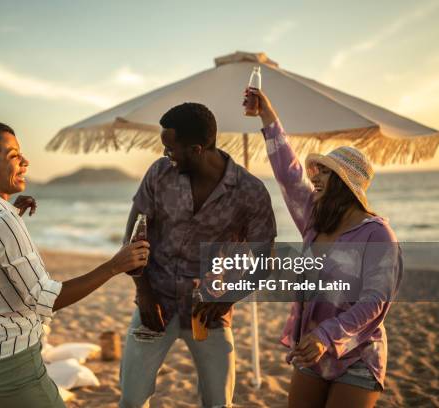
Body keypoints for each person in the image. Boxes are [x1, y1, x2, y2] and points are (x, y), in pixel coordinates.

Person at [0, 121, 149, 408]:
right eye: (14, 156)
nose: (25, 161)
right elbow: (44, 299)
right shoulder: (2, 220)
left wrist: (11, 208)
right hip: (12, 367)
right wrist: (114, 265)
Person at [245, 89, 402, 408]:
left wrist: (328, 335)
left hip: (358, 355)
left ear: (345, 183)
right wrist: (268, 115)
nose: (314, 177)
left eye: (324, 172)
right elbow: (289, 175)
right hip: (311, 349)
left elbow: (376, 301)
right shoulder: (315, 220)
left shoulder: (377, 235)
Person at [119, 103, 276, 407]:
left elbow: (264, 261)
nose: (166, 155)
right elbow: (132, 240)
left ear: (197, 149)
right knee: (131, 400)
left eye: (171, 148)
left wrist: (227, 298)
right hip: (154, 306)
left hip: (209, 313)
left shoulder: (251, 192)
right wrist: (144, 294)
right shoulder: (159, 173)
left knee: (219, 403)